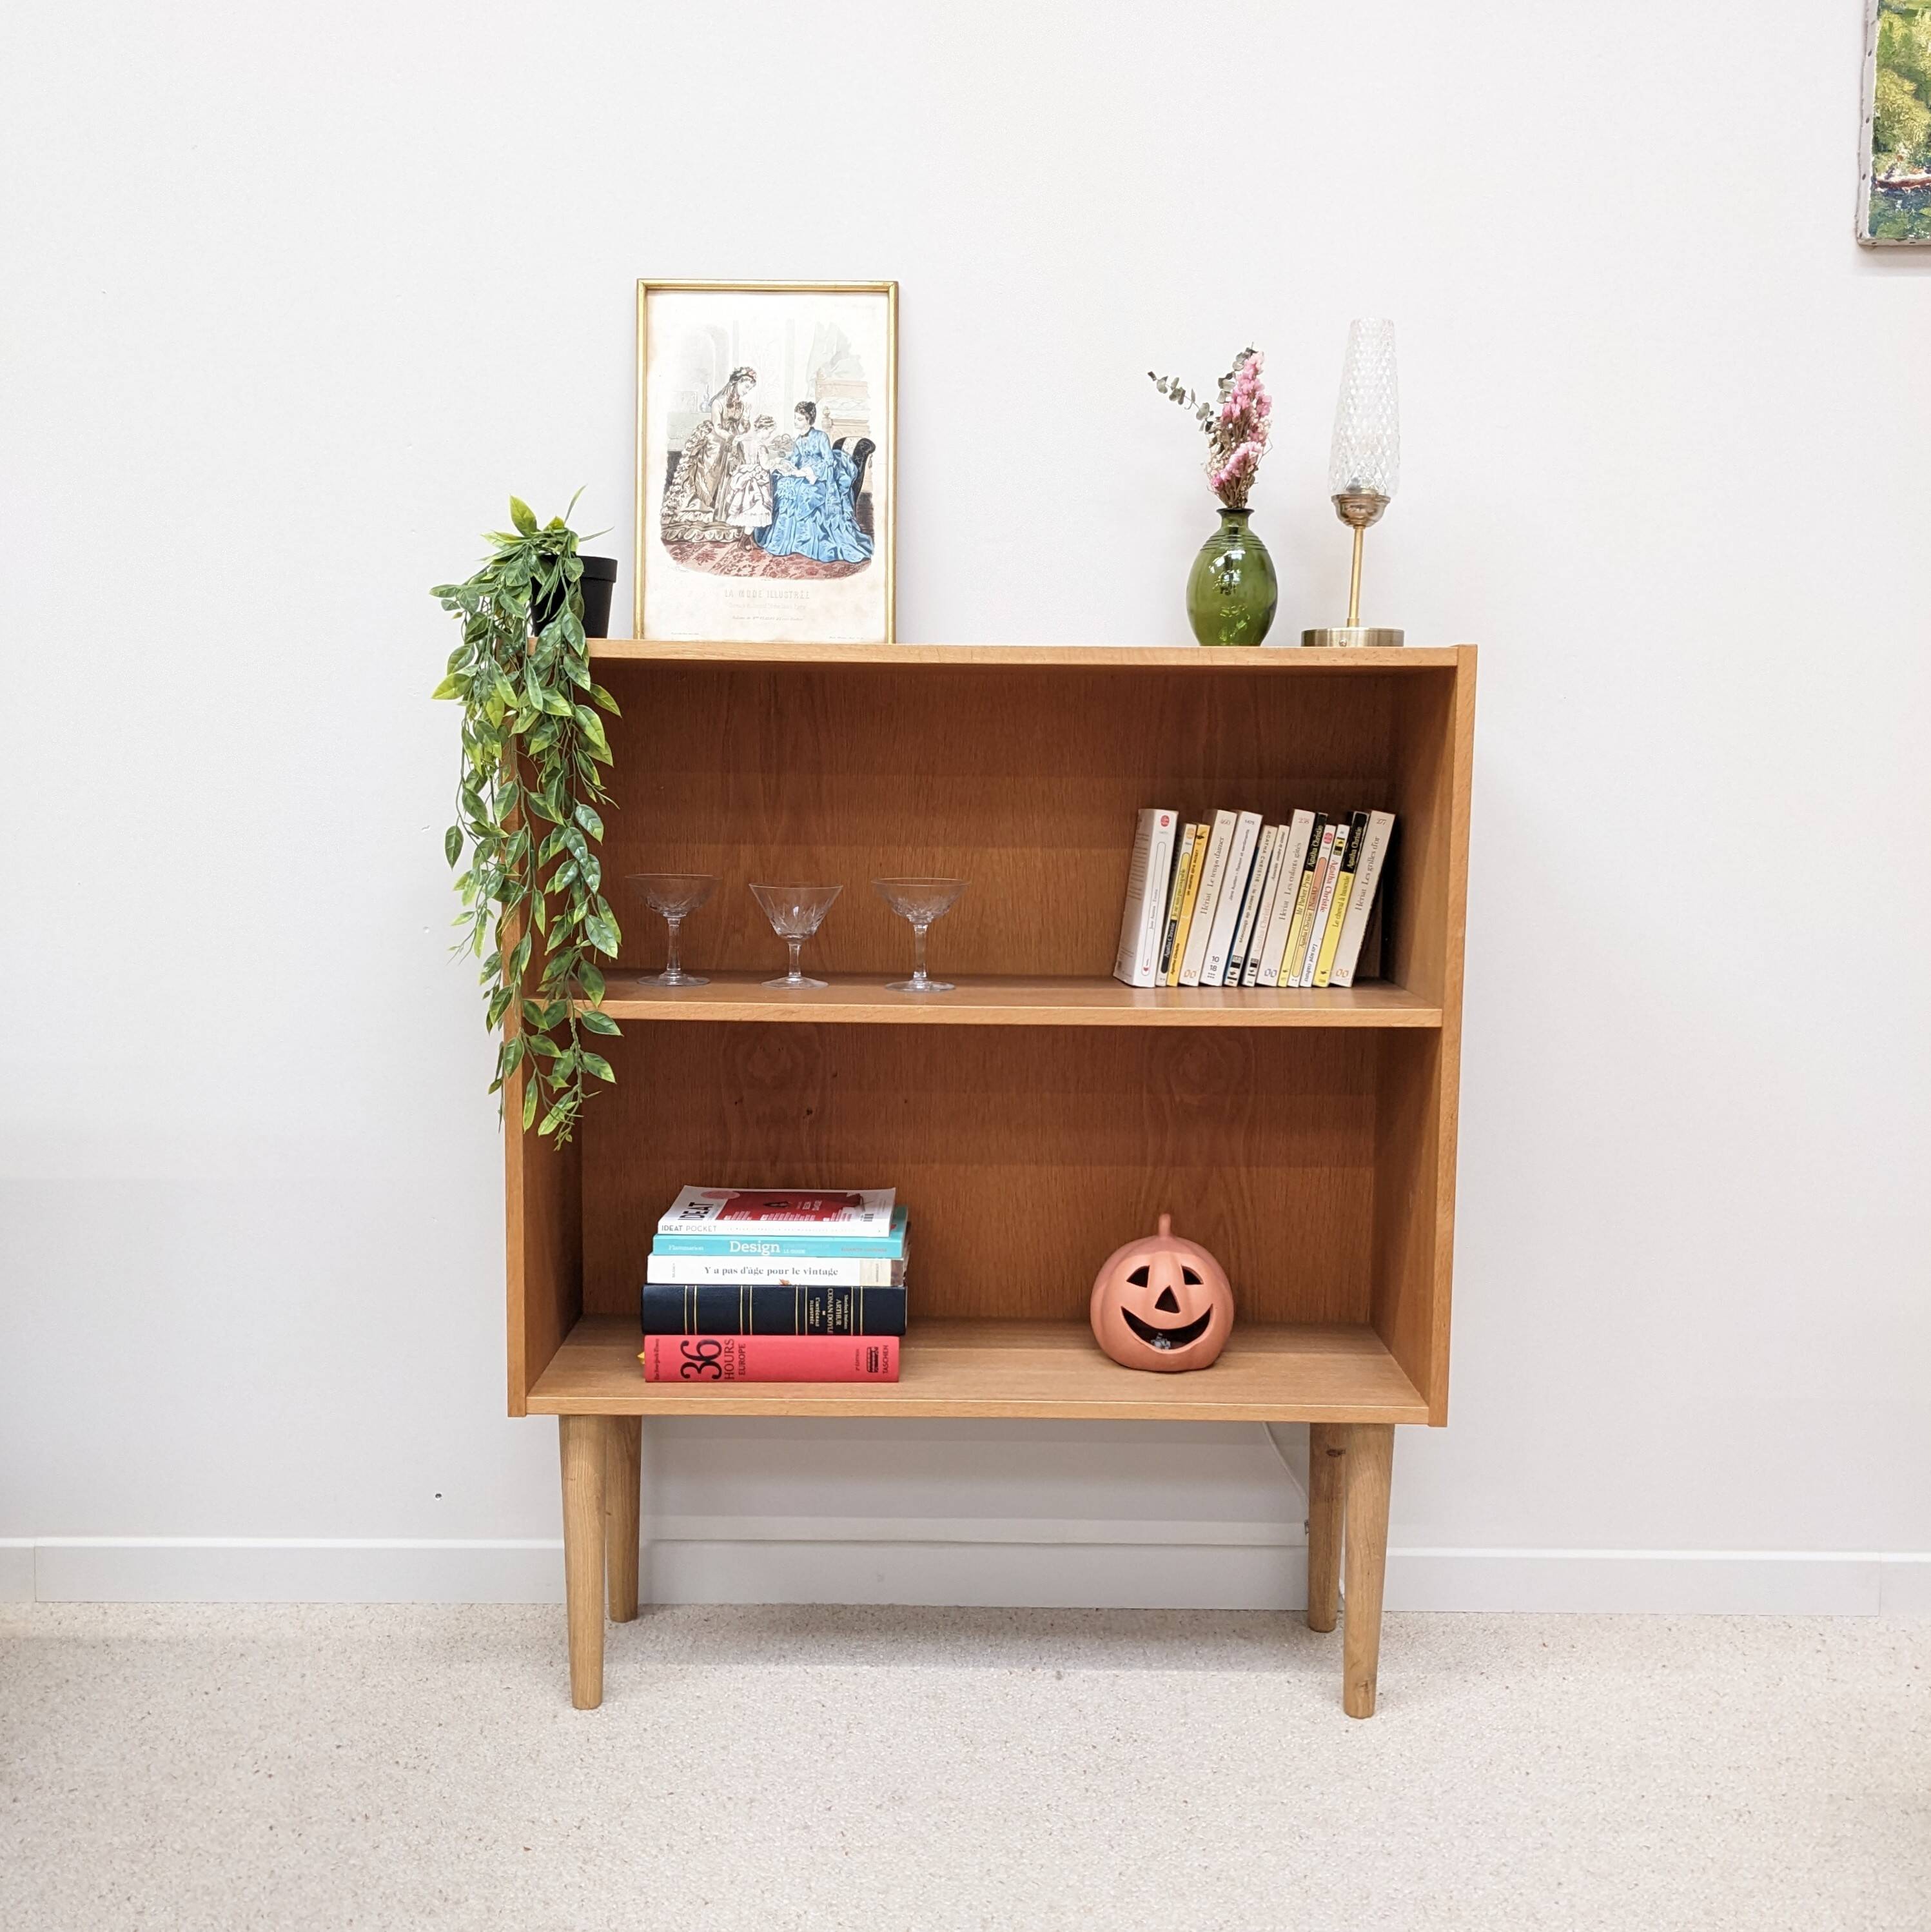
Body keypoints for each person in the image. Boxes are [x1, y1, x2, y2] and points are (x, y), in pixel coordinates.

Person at [758, 400, 873, 564]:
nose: (795, 422)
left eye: (799, 419)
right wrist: (786, 465)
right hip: (803, 474)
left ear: (808, 420)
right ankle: (787, 540)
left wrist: (810, 471)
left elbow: (828, 461)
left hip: (822, 477)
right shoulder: (798, 440)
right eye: (795, 418)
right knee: (784, 485)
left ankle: (810, 542)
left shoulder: (821, 437)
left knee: (806, 492)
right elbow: (795, 460)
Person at [667, 366, 758, 525]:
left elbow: (744, 428)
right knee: (715, 455)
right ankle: (706, 504)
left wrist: (746, 420)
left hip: (733, 439)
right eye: (746, 386)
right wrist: (731, 438)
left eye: (750, 388)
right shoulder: (718, 402)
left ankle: (729, 508)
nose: (747, 391)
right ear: (736, 382)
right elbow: (717, 427)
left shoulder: (742, 405)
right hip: (718, 437)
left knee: (739, 466)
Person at [721, 415, 778, 534]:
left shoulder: (749, 441)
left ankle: (748, 540)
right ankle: (744, 540)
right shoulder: (761, 446)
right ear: (763, 429)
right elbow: (765, 465)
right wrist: (777, 461)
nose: (770, 435)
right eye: (770, 432)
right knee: (755, 510)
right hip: (757, 482)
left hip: (746, 475)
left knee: (748, 511)